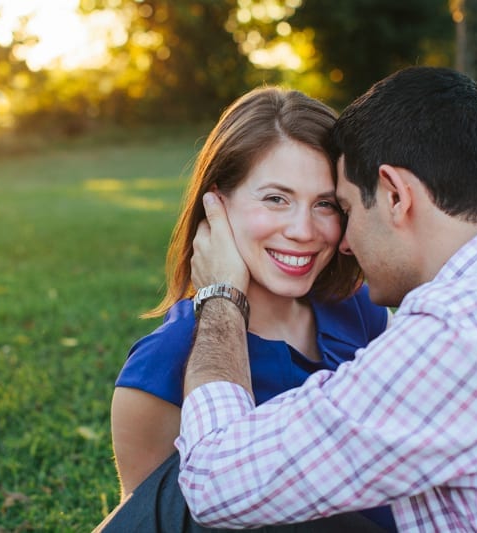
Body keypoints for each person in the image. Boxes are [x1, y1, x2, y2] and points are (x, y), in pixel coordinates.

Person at [177, 66, 477, 531]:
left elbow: (213, 480)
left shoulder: (451, 338)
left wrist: (220, 296)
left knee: (170, 500)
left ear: (395, 196)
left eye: (343, 208)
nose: (345, 244)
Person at [103, 86, 397, 531]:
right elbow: (151, 519)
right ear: (216, 201)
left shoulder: (356, 308)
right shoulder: (165, 363)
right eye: (276, 198)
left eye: (325, 205)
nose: (303, 231)